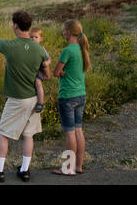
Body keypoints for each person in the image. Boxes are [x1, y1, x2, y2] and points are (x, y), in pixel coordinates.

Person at [0, 11, 51, 183]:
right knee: (28, 135)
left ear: (16, 25)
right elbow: (47, 76)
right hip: (33, 98)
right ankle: (25, 171)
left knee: (4, 133)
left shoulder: (10, 46)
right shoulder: (39, 49)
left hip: (16, 100)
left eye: (13, 23)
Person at [52, 19, 91, 176]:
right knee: (78, 131)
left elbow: (55, 72)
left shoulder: (67, 51)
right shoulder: (82, 49)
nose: (63, 33)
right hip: (81, 95)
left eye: (63, 30)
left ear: (68, 32)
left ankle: (68, 168)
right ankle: (78, 166)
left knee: (69, 133)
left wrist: (61, 73)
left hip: (68, 97)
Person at [29, 27, 51, 113]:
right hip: (32, 71)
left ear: (41, 39)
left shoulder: (42, 49)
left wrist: (47, 63)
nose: (33, 39)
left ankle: (41, 102)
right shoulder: (28, 48)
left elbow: (49, 59)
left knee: (38, 83)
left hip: (39, 71)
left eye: (36, 37)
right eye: (31, 37)